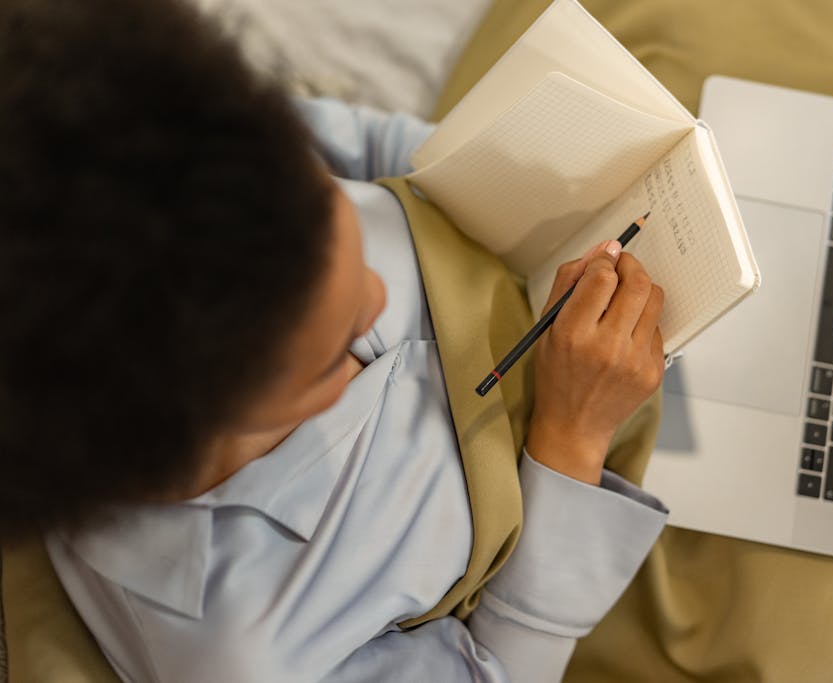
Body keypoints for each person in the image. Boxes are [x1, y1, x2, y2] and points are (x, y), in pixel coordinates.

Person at [0, 0, 669, 680]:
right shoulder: (252, 649)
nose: (378, 296)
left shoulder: (195, 145)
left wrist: (498, 170)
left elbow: (372, 144)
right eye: (334, 349)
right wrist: (572, 443)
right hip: (584, 499)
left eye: (338, 208)